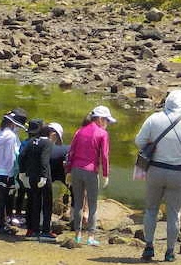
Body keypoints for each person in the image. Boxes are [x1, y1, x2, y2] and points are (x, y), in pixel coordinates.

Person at [134, 90, 181, 262]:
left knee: (151, 210)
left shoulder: (154, 119)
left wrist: (152, 147)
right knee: (174, 213)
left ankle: (149, 247)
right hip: (178, 173)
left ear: (167, 102)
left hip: (155, 170)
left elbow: (139, 141)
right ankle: (170, 252)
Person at [66, 105, 115, 246]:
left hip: (76, 170)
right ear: (99, 119)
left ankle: (77, 235)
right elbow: (104, 155)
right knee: (92, 205)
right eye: (106, 120)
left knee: (78, 203)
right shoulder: (102, 133)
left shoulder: (79, 131)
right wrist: (105, 174)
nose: (107, 123)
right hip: (90, 171)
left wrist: (68, 170)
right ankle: (91, 237)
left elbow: (71, 152)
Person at [0, 108, 28, 236]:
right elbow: (10, 157)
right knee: (4, 200)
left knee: (2, 199)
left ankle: (2, 224)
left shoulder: (0, 132)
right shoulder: (11, 136)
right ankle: (1, 226)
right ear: (13, 123)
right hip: (6, 172)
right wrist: (11, 172)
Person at [19, 119, 54, 241]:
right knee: (47, 204)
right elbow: (44, 159)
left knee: (35, 203)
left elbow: (21, 156)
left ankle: (34, 231)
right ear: (49, 134)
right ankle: (45, 231)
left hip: (31, 176)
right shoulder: (48, 143)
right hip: (43, 177)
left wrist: (22, 172)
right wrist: (44, 176)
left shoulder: (31, 141)